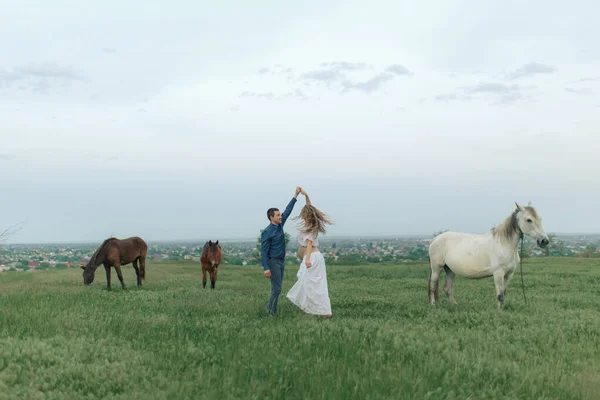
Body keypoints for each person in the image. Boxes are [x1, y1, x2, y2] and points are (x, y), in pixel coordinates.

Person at [286, 189, 333, 318]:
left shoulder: (311, 227)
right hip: (312, 257)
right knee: (308, 282)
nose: (302, 216)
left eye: (304, 214)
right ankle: (314, 308)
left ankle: (324, 311)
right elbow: (309, 207)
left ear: (307, 216)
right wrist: (305, 195)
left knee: (312, 284)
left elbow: (309, 243)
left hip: (312, 257)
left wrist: (307, 260)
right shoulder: (309, 224)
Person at [261, 186, 302, 316]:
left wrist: (295, 195)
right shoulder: (267, 232)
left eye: (279, 215)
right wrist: (266, 268)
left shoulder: (279, 225)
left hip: (281, 262)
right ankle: (270, 313)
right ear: (271, 217)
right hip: (273, 262)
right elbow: (263, 252)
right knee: (276, 289)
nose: (280, 217)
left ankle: (273, 311)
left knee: (277, 289)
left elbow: (288, 210)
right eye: (278, 215)